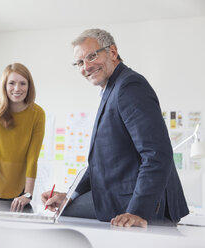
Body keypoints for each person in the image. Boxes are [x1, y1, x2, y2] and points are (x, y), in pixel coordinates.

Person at [42, 28, 189, 227]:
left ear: (112, 52)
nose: (86, 67)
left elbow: (157, 153)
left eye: (92, 56)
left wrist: (137, 212)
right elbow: (99, 165)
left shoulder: (129, 86)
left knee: (64, 216)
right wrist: (70, 195)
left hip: (139, 201)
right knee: (64, 209)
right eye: (79, 62)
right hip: (116, 194)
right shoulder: (111, 89)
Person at [0, 63, 45, 212]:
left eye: (22, 83)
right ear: (4, 86)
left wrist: (28, 194)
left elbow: (32, 158)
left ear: (29, 86)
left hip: (18, 190)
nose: (17, 88)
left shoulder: (38, 114)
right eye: (11, 83)